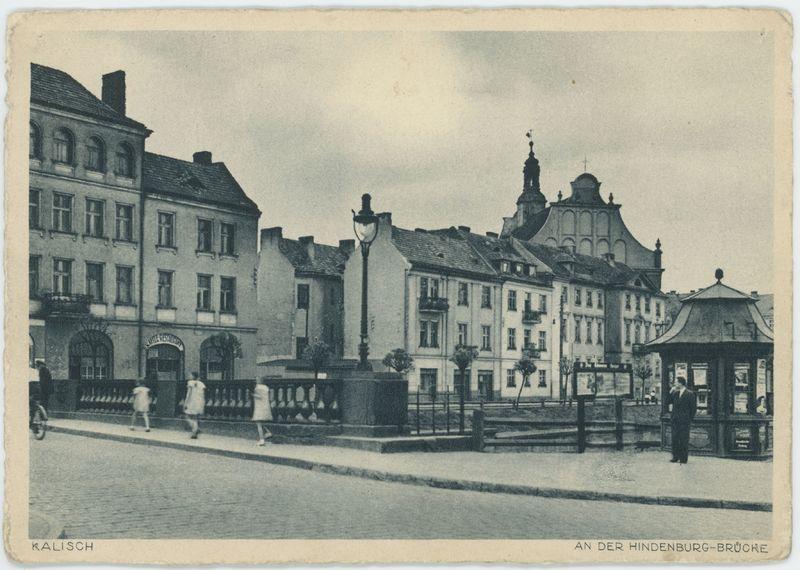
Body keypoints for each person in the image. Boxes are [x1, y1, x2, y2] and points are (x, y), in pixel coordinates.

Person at [668, 376, 697, 464]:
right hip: (675, 420)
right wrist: (671, 391)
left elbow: (693, 408)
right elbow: (668, 402)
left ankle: (683, 458)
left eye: (676, 382)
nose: (675, 384)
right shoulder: (675, 393)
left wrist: (689, 419)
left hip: (684, 421)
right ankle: (675, 457)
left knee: (684, 439)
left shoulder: (689, 394)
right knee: (675, 438)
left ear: (681, 383)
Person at [183, 372, 205, 439]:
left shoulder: (190, 383)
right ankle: (194, 433)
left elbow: (188, 394)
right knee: (195, 417)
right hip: (200, 401)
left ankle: (195, 429)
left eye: (190, 375)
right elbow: (203, 394)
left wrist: (185, 403)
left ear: (193, 376)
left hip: (192, 401)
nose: (189, 376)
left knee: (187, 416)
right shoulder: (201, 383)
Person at [251, 377, 273, 446]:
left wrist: (252, 395)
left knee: (258, 423)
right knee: (261, 422)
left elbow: (259, 396)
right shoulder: (266, 388)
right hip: (265, 406)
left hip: (259, 407)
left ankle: (262, 440)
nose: (256, 381)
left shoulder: (258, 387)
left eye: (257, 380)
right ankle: (268, 432)